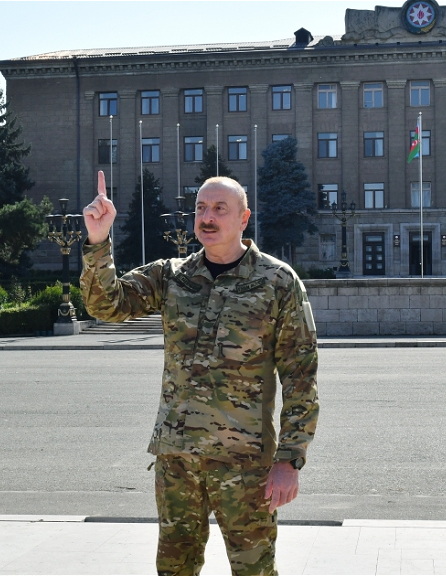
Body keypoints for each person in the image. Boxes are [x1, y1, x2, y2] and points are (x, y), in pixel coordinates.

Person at [80, 171, 319, 576]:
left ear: (243, 219)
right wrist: (99, 241)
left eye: (219, 209)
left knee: (255, 570)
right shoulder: (172, 275)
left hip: (244, 463)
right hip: (177, 459)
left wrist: (290, 460)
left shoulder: (277, 282)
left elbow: (300, 375)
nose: (207, 217)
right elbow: (106, 306)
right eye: (201, 208)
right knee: (174, 569)